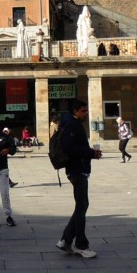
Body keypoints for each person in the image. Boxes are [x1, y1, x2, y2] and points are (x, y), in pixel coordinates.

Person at [57, 99, 102, 258]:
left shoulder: (71, 123)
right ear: (75, 111)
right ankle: (81, 245)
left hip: (77, 168)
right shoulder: (72, 124)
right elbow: (69, 148)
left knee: (81, 206)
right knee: (82, 205)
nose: (86, 113)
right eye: (83, 111)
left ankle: (65, 240)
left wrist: (89, 153)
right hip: (77, 169)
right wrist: (90, 153)